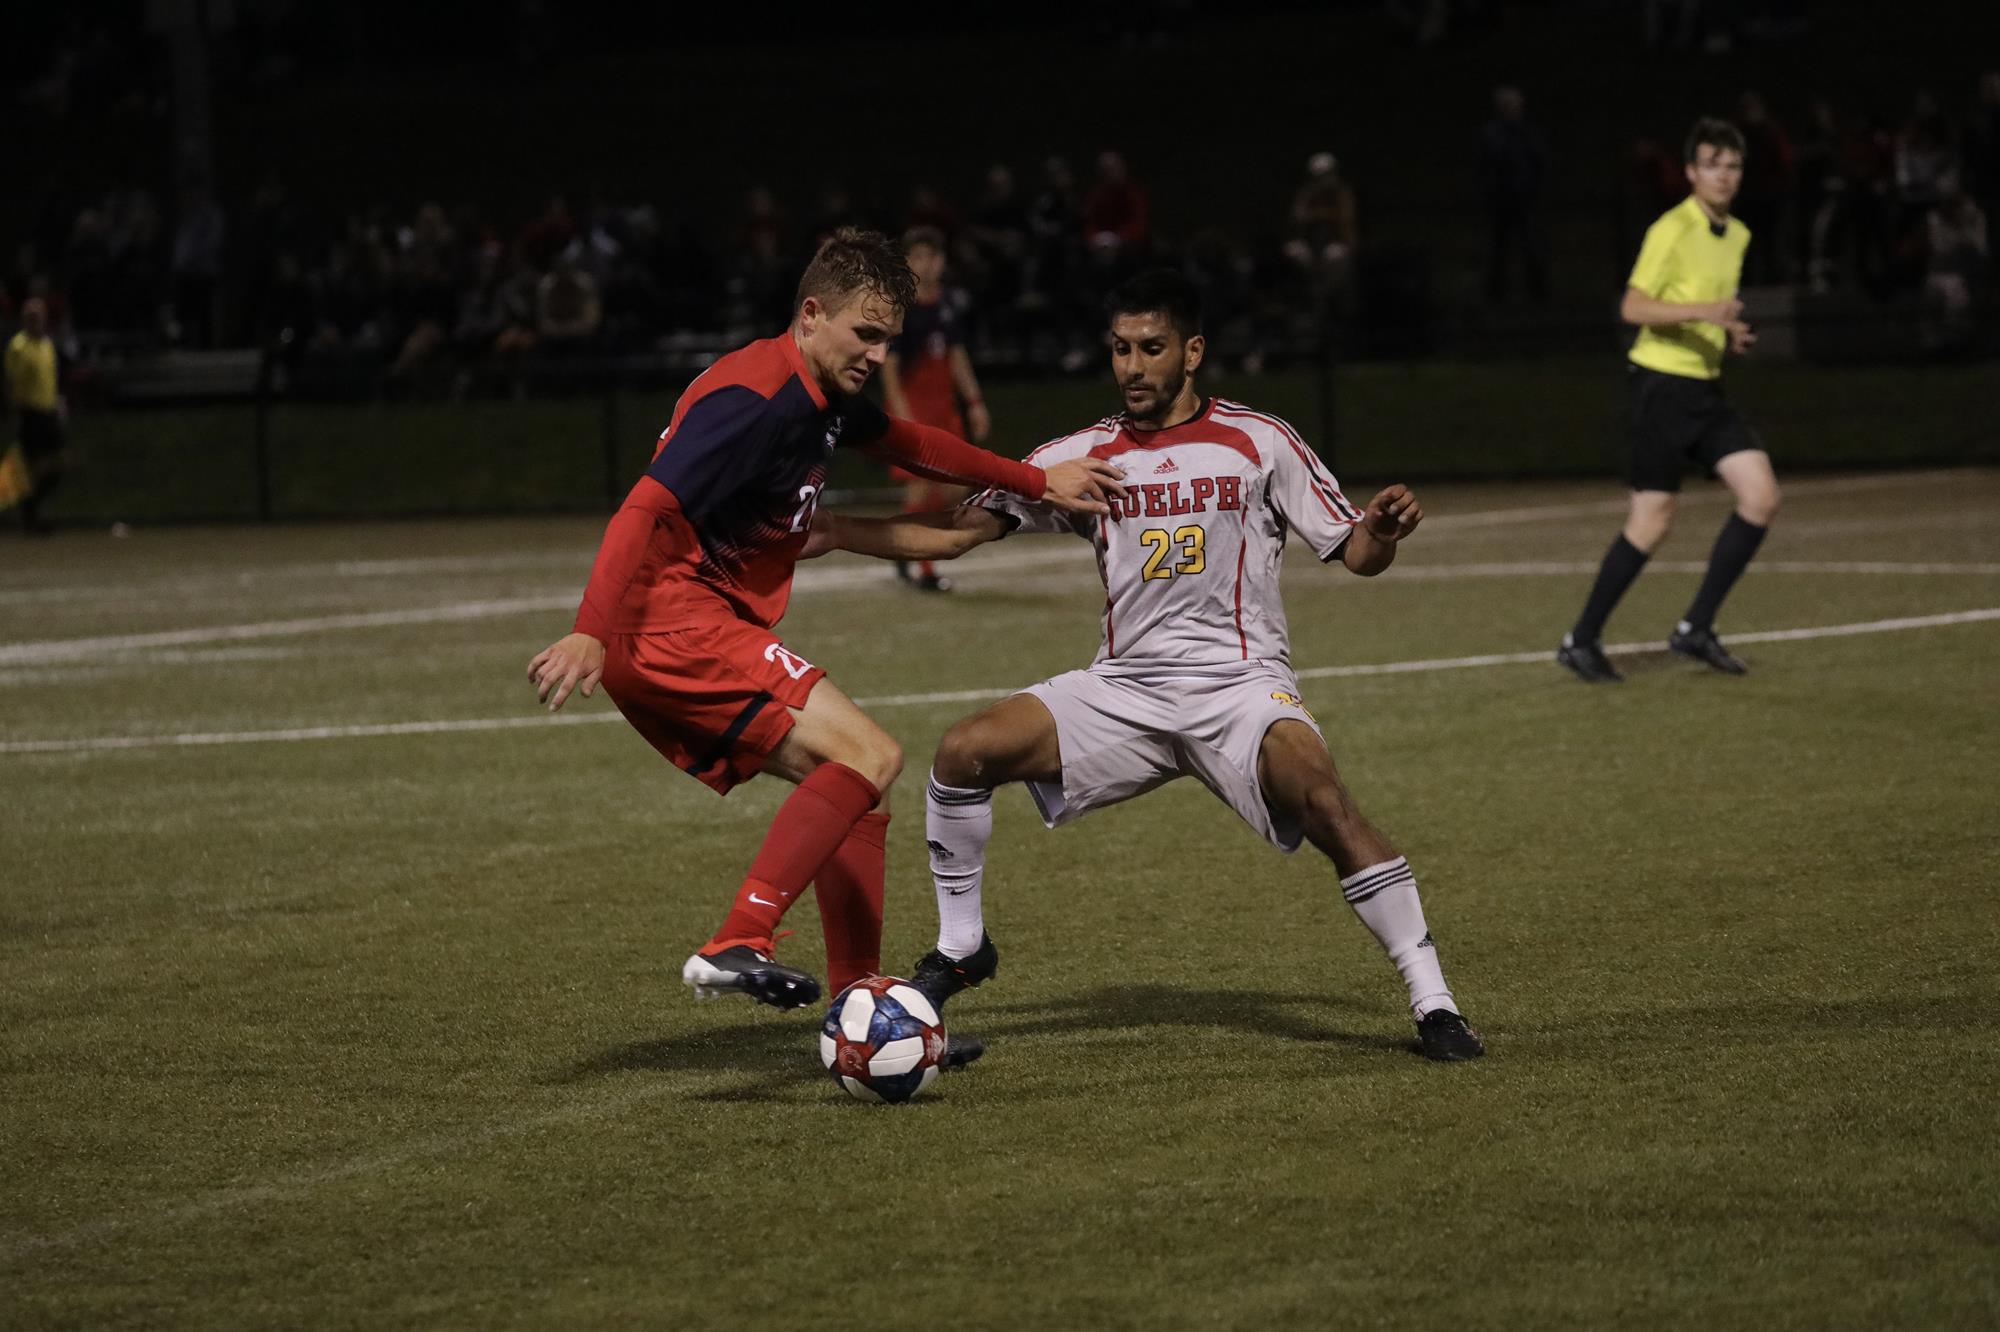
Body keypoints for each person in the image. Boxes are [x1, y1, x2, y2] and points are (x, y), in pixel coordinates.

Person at [809, 268, 1485, 1063]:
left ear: (1192, 352)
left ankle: (1434, 1003)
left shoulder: (1260, 442)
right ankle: (962, 948)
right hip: (1126, 688)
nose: (1132, 366)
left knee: (1329, 805)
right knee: (964, 752)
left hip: (1239, 688)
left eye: (1151, 348)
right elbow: (957, 534)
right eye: (1120, 349)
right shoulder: (1079, 456)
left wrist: (1383, 530)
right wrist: (834, 528)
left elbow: (1357, 553)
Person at [526, 228, 1122, 1022]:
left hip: (689, 621)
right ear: (811, 315)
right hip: (673, 622)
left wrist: (1029, 484)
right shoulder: (755, 400)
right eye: (865, 334)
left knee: (854, 790)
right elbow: (644, 506)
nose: (877, 356)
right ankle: (740, 936)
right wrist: (589, 629)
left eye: (888, 341)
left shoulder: (820, 398)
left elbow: (914, 446)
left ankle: (859, 1003)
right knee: (872, 753)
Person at [1557, 119, 1779, 684]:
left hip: (1703, 388)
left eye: (1732, 166)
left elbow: (1711, 305)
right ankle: (1581, 640)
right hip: (1660, 387)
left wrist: (1729, 332)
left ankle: (1695, 629)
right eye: (1712, 164)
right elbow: (1633, 307)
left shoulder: (1739, 234)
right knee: (1652, 519)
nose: (1724, 176)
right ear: (1690, 172)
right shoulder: (1671, 229)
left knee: (1760, 496)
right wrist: (1704, 313)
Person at [880, 227, 990, 592]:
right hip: (915, 410)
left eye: (932, 257)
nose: (926, 265)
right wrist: (901, 415)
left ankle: (901, 546)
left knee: (958, 488)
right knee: (921, 489)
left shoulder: (947, 304)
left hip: (945, 412)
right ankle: (924, 568)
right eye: (918, 257)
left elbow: (957, 357)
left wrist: (974, 403)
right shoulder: (901, 308)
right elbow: (890, 368)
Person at [4, 297, 67, 536]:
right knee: (28, 466)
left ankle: (30, 509)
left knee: (57, 464)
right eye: (30, 317)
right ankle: (30, 517)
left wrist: (57, 403)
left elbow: (50, 379)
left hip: (48, 412)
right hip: (29, 413)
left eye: (38, 317)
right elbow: (11, 383)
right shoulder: (18, 347)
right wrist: (14, 413)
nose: (35, 321)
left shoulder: (47, 345)